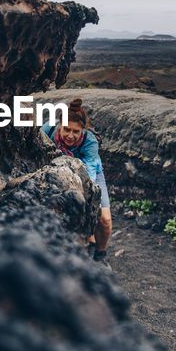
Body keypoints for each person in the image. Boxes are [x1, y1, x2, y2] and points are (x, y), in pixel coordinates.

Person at [41, 98, 112, 260]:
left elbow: (90, 175)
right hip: (57, 171)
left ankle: (101, 255)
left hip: (90, 174)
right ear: (59, 125)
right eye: (66, 129)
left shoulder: (90, 141)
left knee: (105, 219)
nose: (70, 136)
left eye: (76, 131)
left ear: (83, 130)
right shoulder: (47, 130)